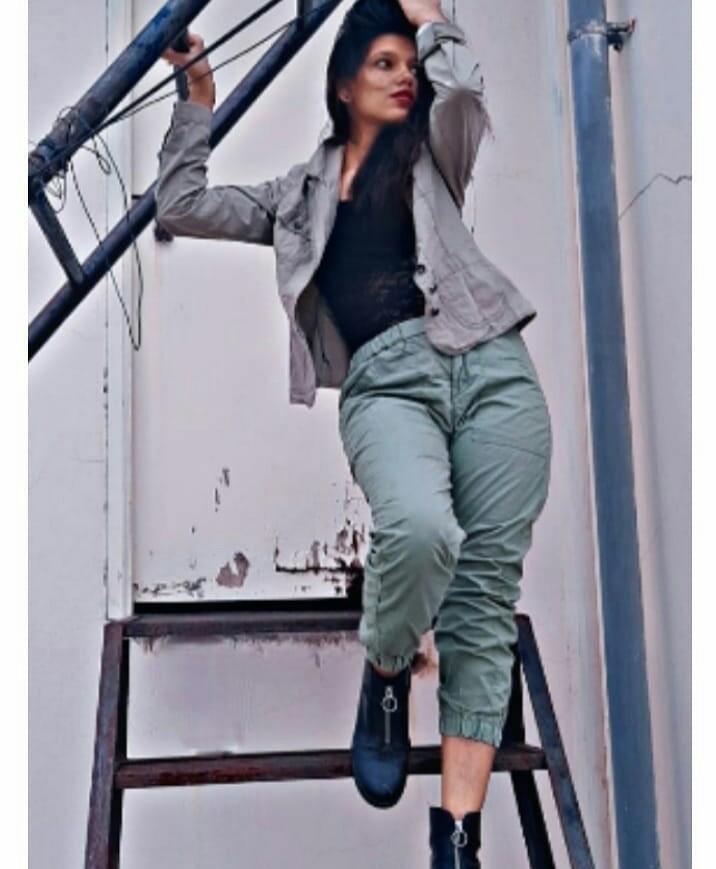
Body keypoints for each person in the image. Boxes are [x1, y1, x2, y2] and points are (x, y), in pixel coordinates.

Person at [156, 1, 552, 865]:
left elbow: (462, 94)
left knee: (482, 604)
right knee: (419, 528)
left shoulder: (435, 156)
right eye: (383, 62)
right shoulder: (294, 200)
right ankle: (385, 673)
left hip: (493, 370)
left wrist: (431, 15)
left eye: (409, 63)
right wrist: (198, 93)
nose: (404, 75)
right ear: (342, 84)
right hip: (389, 383)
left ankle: (456, 841)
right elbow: (181, 204)